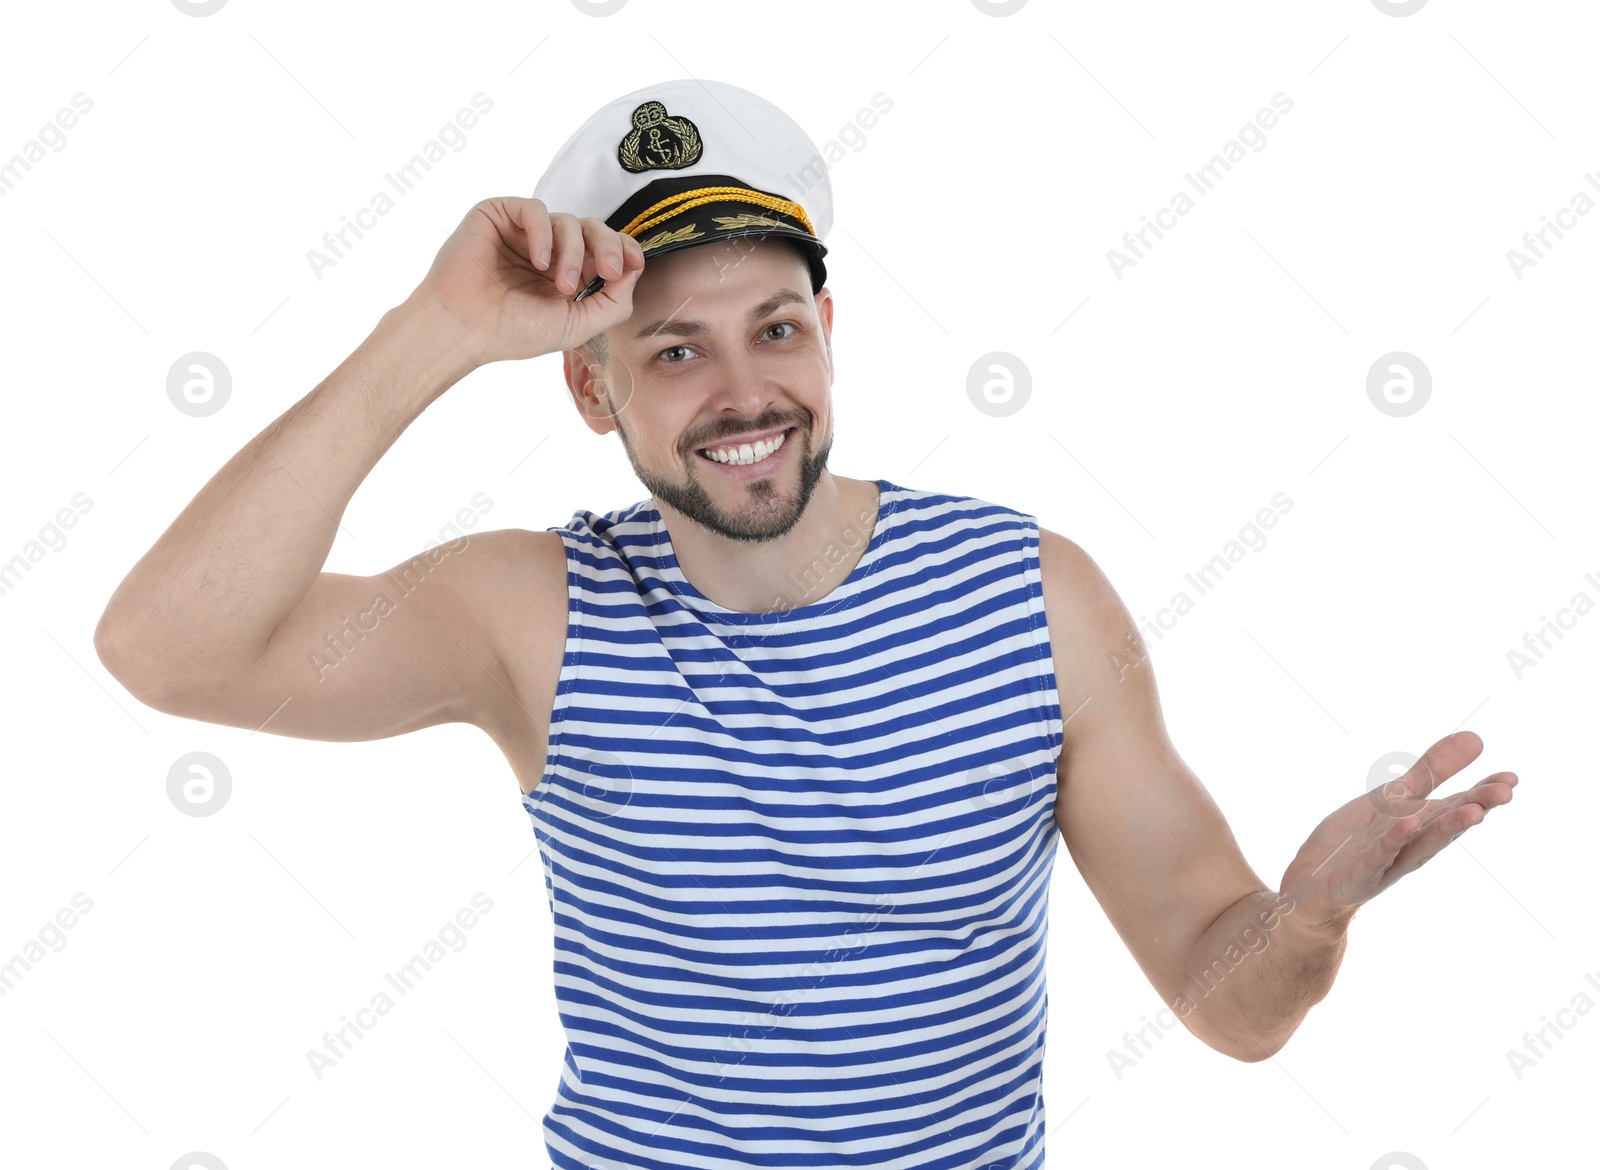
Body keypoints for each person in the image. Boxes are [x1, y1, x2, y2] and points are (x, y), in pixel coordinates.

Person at [93, 79, 1519, 1170]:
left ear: (829, 331)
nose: (743, 392)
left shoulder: (1033, 594)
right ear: (589, 391)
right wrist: (439, 329)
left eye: (774, 328)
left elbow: (1235, 1003)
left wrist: (1312, 915)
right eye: (671, 348)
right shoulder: (531, 613)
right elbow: (170, 648)